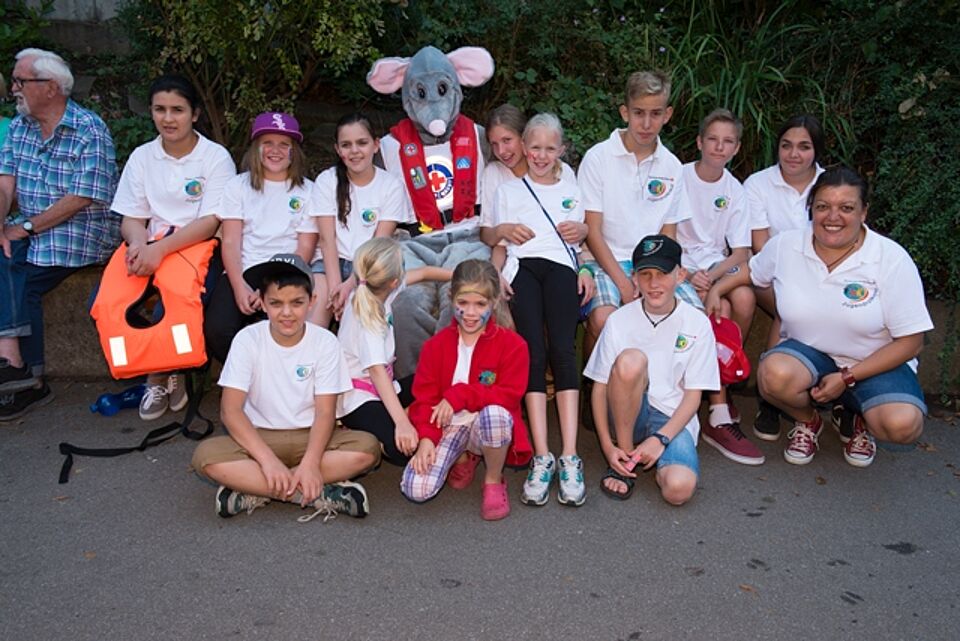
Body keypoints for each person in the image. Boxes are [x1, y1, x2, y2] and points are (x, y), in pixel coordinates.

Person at [706, 167, 933, 468]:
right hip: (809, 354)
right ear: (810, 209)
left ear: (864, 212)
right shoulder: (787, 245)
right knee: (773, 375)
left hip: (873, 360)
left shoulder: (890, 258)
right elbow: (752, 269)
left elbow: (912, 342)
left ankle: (857, 415)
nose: (833, 216)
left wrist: (847, 377)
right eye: (823, 206)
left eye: (846, 208)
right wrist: (718, 287)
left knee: (902, 425)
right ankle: (809, 421)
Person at [191, 253, 381, 521]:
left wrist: (312, 462)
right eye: (276, 303)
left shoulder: (325, 342)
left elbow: (325, 413)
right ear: (263, 304)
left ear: (312, 302)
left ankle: (257, 489)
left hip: (312, 438)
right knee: (206, 457)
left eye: (297, 303)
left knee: (367, 449)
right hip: (259, 438)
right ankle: (311, 493)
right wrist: (268, 462)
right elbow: (231, 411)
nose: (287, 313)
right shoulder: (247, 340)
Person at [0, 48, 118, 421]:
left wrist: (24, 227)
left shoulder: (88, 128)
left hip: (82, 229)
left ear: (51, 87)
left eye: (21, 81)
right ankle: (17, 368)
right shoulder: (20, 127)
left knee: (22, 273)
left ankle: (21, 371)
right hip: (31, 227)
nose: (14, 88)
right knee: (7, 255)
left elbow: (82, 197)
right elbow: (5, 184)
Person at [109, 74, 236, 420]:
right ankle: (160, 365)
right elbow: (131, 217)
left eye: (177, 110)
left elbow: (210, 222)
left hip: (198, 247)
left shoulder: (215, 157)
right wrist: (138, 245)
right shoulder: (142, 156)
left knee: (172, 301)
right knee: (106, 302)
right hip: (150, 245)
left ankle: (165, 372)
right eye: (160, 109)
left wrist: (159, 251)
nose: (168, 118)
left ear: (194, 114)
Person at [490, 113, 594, 506]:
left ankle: (569, 455)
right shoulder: (509, 191)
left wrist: (584, 266)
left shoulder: (572, 188)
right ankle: (541, 455)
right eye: (535, 147)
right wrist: (496, 275)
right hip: (523, 269)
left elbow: (579, 242)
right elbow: (500, 244)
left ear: (562, 150)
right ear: (524, 147)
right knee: (531, 352)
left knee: (563, 351)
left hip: (563, 269)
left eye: (550, 148)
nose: (541, 155)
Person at [585, 235, 719, 505]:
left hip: (671, 417)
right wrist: (607, 447)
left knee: (678, 490)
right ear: (634, 278)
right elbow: (599, 388)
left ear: (680, 275)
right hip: (626, 413)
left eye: (662, 274)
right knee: (631, 360)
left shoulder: (697, 322)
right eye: (645, 274)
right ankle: (624, 457)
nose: (654, 283)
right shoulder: (619, 320)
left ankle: (656, 457)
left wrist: (661, 439)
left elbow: (694, 396)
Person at [401, 259, 532, 521]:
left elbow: (509, 395)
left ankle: (493, 480)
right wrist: (427, 437)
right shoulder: (435, 346)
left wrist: (459, 394)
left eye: (480, 304)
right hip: (448, 424)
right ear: (451, 298)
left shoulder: (514, 345)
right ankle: (462, 455)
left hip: (489, 424)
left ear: (494, 302)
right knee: (416, 489)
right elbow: (425, 399)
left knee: (496, 415)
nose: (471, 313)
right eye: (463, 303)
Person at [578, 70, 695, 358]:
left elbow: (668, 234)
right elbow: (591, 230)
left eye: (655, 114)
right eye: (639, 113)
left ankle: (668, 395)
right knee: (604, 318)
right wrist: (622, 281)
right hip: (604, 260)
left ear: (667, 114)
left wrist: (658, 277)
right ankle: (595, 389)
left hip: (652, 262)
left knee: (693, 318)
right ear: (624, 112)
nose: (646, 123)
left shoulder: (672, 166)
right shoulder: (598, 157)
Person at [675, 108, 763, 465]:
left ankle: (723, 368)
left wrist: (713, 278)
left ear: (737, 148)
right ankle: (718, 407)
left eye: (728, 141)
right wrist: (685, 270)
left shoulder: (735, 189)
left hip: (714, 264)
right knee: (722, 309)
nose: (719, 147)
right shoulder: (678, 176)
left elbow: (740, 250)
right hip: (678, 262)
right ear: (699, 141)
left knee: (743, 297)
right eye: (713, 139)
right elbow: (659, 230)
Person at [204, 111, 311, 364]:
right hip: (244, 268)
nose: (276, 150)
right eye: (268, 143)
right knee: (217, 330)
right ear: (256, 148)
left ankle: (274, 380)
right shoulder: (238, 186)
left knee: (279, 327)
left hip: (286, 270)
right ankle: (248, 376)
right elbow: (230, 242)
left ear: (294, 151)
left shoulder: (309, 190)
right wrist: (240, 286)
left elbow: (305, 246)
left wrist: (270, 288)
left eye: (284, 144)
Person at [744, 115, 826, 438]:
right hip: (771, 273)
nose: (794, 154)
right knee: (789, 307)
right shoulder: (757, 184)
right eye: (786, 145)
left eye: (804, 147)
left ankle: (840, 400)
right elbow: (761, 246)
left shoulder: (830, 184)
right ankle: (773, 397)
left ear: (815, 151)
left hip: (822, 276)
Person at [336, 236, 451, 464]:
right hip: (358, 399)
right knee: (404, 449)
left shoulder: (374, 291)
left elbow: (426, 272)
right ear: (393, 281)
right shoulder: (369, 322)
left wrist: (465, 274)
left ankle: (404, 414)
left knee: (439, 379)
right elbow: (377, 373)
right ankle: (354, 430)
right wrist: (402, 423)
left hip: (384, 387)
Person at [296, 112, 413, 327]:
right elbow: (327, 239)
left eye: (362, 143)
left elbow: (377, 245)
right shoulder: (327, 180)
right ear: (338, 150)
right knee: (314, 323)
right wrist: (334, 290)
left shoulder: (391, 185)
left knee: (358, 321)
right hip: (329, 265)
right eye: (346, 145)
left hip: (370, 267)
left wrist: (350, 284)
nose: (355, 151)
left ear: (376, 145)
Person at [478, 104, 583, 294]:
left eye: (507, 140)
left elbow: (577, 229)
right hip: (513, 260)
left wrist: (581, 231)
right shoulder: (494, 173)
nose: (501, 151)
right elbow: (486, 234)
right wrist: (502, 230)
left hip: (557, 261)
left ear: (524, 139)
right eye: (494, 144)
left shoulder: (559, 171)